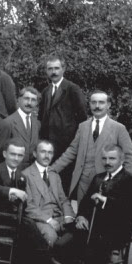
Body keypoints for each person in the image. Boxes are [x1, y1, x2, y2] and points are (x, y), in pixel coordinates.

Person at [55, 144, 132, 264]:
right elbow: (85, 204)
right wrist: (81, 216)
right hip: (92, 227)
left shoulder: (131, 181)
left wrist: (106, 201)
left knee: (91, 249)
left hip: (115, 231)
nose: (107, 162)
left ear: (121, 159)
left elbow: (129, 210)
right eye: (105, 158)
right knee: (64, 243)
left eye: (112, 158)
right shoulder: (98, 178)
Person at [51, 90, 132, 205]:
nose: (97, 106)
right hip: (83, 183)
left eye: (101, 102)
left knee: (103, 214)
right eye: (94, 102)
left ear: (108, 105)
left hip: (106, 183)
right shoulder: (83, 126)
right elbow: (71, 151)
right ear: (90, 104)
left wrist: (122, 181)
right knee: (82, 214)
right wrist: (52, 170)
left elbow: (130, 157)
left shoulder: (118, 128)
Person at [20, 140, 75, 264]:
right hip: (41, 218)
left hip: (59, 216)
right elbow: (29, 206)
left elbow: (63, 199)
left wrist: (69, 216)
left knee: (76, 234)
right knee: (50, 237)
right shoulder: (26, 175)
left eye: (50, 152)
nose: (46, 155)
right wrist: (49, 220)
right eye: (43, 152)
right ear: (35, 154)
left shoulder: (54, 175)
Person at [37, 54, 87, 193]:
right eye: (50, 69)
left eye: (56, 68)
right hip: (48, 146)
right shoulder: (46, 91)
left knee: (64, 185)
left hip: (66, 146)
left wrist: (77, 142)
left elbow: (83, 118)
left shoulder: (72, 89)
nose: (53, 72)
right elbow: (41, 118)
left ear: (63, 69)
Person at [4, 86, 41, 166]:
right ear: (19, 100)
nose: (29, 103)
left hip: (32, 170)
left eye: (33, 100)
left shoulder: (37, 123)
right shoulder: (8, 122)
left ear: (36, 103)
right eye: (26, 98)